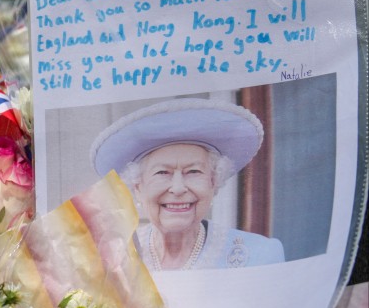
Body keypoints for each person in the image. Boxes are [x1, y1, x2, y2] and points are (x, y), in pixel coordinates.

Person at [91, 98, 285, 271]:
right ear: (138, 187)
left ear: (213, 182)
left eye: (193, 172)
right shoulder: (112, 262)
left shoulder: (259, 257)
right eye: (162, 173)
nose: (178, 188)